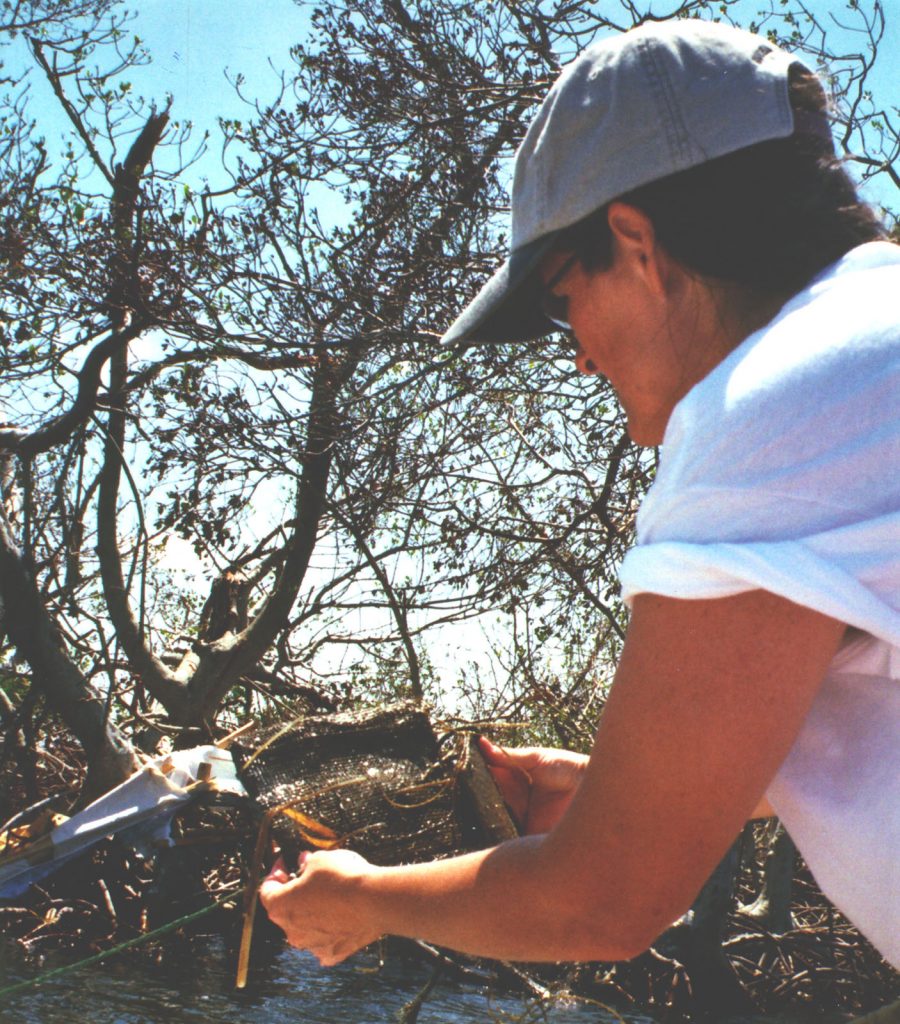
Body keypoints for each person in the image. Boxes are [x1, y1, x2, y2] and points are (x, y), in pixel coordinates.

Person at [259, 19, 900, 970]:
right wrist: (613, 785)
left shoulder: (779, 397)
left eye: (562, 299)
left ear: (635, 242)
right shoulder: (866, 350)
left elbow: (600, 901)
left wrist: (359, 901)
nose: (579, 349)